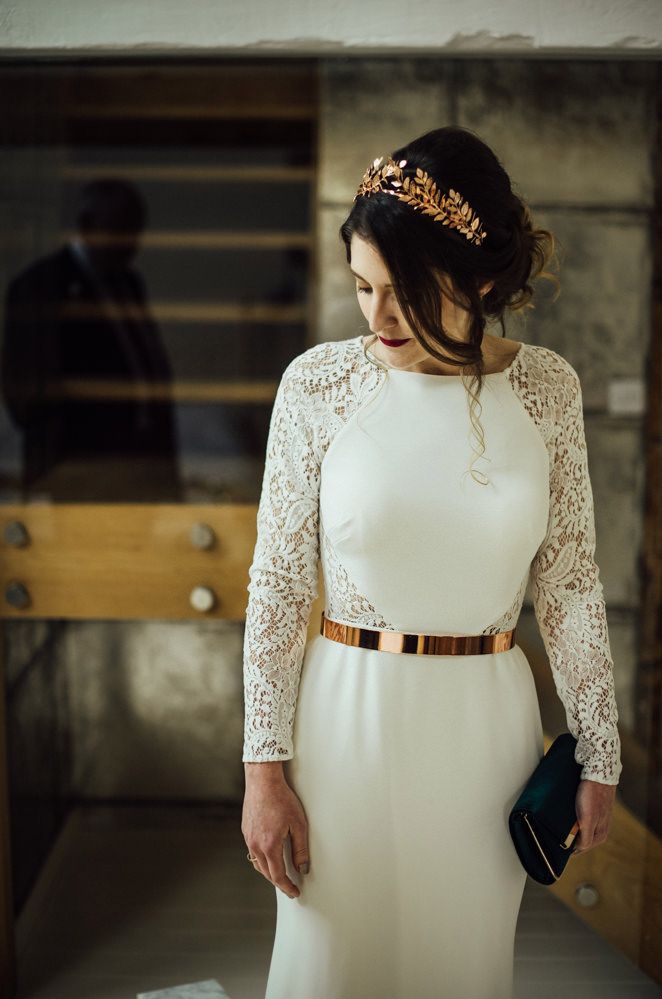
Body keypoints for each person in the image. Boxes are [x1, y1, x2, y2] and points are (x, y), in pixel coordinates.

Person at [241, 126, 622, 999]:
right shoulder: (316, 386)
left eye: (400, 291)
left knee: (462, 971)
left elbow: (566, 582)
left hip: (485, 745)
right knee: (329, 969)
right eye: (362, 287)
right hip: (342, 733)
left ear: (481, 279)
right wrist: (264, 771)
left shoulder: (547, 390)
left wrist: (600, 752)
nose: (374, 319)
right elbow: (276, 587)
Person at [1, 178, 181, 501]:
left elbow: (148, 369)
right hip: (75, 482)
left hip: (139, 478)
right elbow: (25, 399)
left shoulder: (128, 283)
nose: (131, 244)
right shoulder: (40, 287)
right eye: (120, 229)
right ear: (86, 225)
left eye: (135, 231)